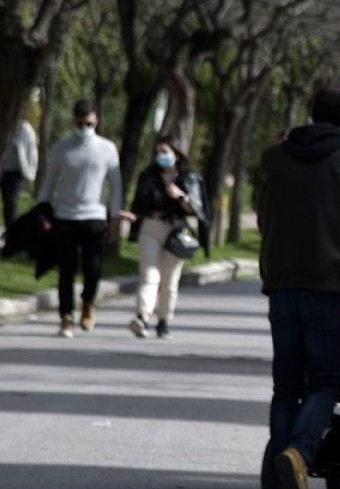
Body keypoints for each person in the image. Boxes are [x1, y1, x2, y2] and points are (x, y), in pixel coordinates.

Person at [255, 85, 340, 489]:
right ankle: (297, 454)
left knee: (285, 387)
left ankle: (279, 485)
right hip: (331, 286)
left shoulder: (274, 158)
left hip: (282, 284)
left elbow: (263, 214)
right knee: (326, 382)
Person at [37, 100, 122, 338]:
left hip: (94, 217)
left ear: (96, 120)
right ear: (73, 120)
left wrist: (115, 217)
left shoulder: (107, 149)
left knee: (93, 268)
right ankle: (66, 317)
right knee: (66, 270)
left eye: (88, 122)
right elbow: (48, 184)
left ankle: (88, 303)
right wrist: (42, 211)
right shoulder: (61, 149)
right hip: (65, 217)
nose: (84, 126)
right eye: (79, 122)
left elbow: (116, 186)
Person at [123, 137, 207, 339]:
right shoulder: (148, 175)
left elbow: (196, 208)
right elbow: (140, 204)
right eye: (158, 152)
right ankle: (143, 317)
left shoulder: (189, 177)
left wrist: (180, 196)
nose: (161, 156)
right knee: (149, 275)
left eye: (165, 151)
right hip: (151, 227)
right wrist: (133, 216)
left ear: (176, 153)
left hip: (176, 231)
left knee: (169, 280)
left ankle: (164, 320)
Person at [2, 117, 39, 229]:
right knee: (7, 202)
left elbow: (32, 152)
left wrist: (30, 171)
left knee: (10, 202)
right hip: (2, 169)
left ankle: (12, 233)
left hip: (15, 171)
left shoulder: (24, 128)